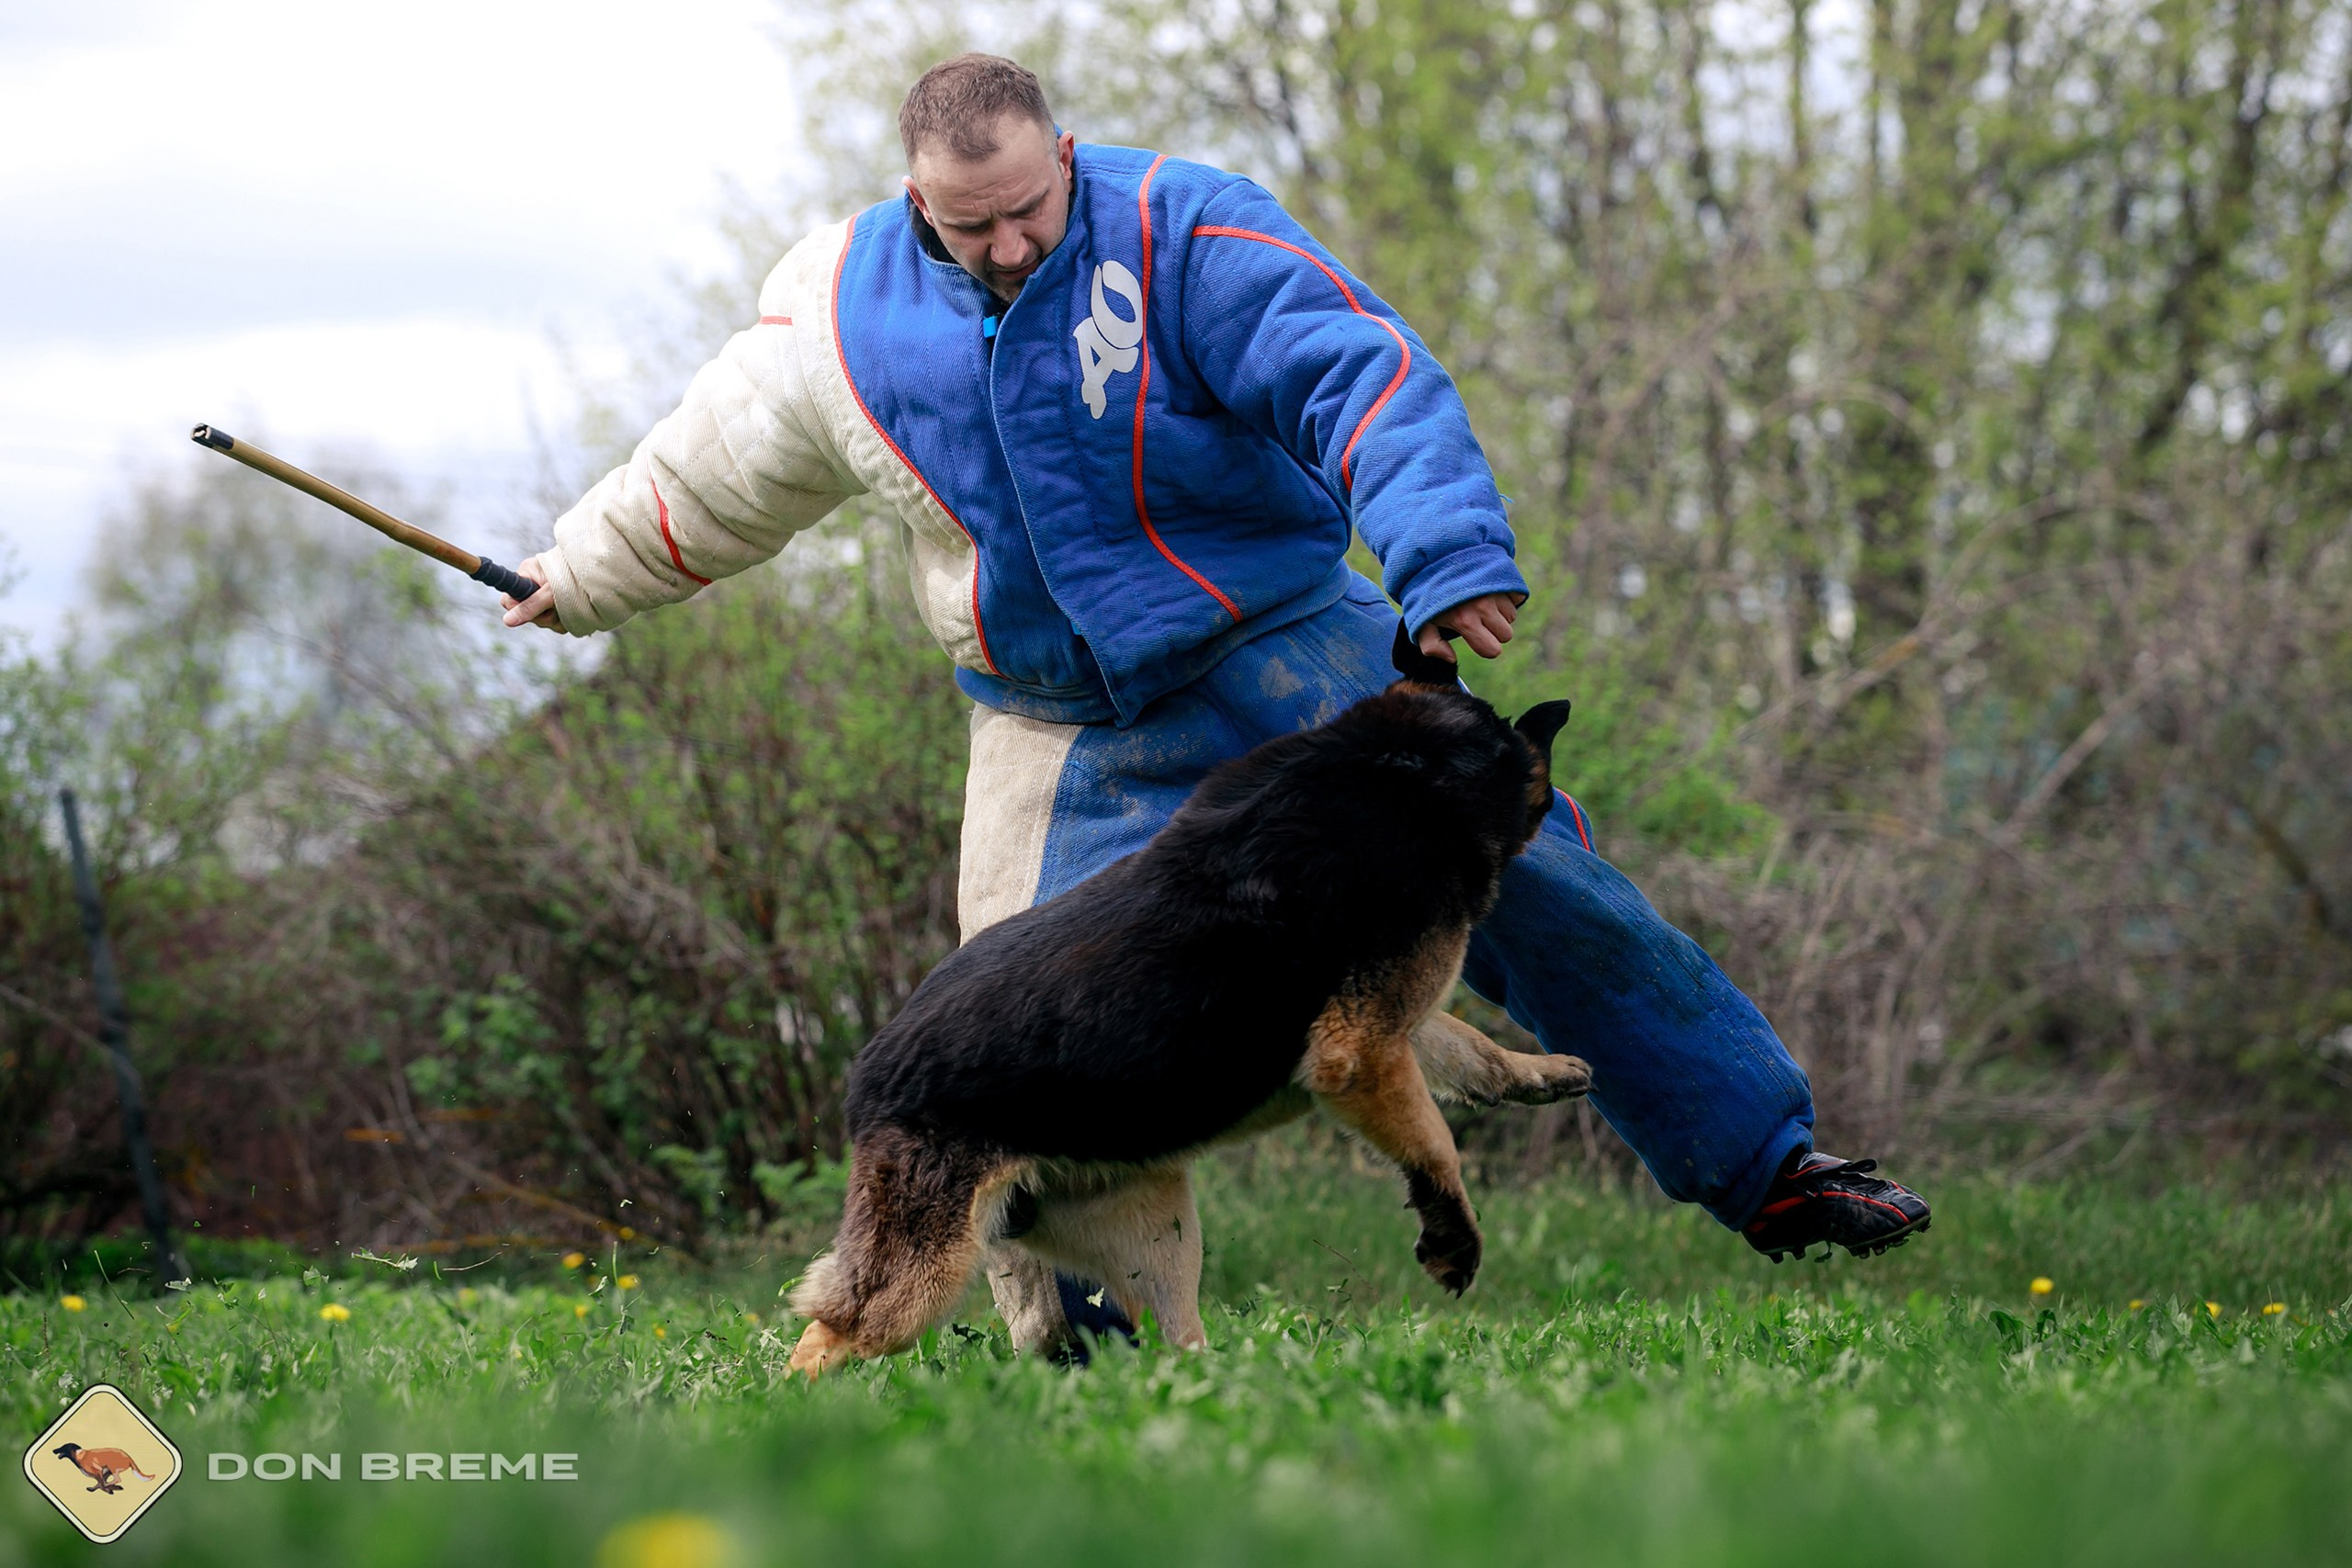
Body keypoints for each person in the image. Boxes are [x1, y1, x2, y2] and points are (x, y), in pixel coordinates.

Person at [501, 52, 1928, 1344]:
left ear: (1064, 153)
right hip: (1054, 715)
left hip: (1290, 652)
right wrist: (574, 576)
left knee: (1545, 882)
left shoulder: (1188, 227)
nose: (1005, 248)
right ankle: (1089, 1348)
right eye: (965, 226)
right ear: (913, 195)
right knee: (1015, 1032)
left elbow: (1355, 372)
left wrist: (1444, 559)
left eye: (1025, 211)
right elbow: (709, 472)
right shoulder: (836, 322)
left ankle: (1772, 1169)